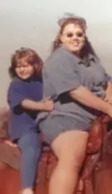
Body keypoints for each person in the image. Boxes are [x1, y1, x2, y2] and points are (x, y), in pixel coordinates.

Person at [37, 13, 112, 194]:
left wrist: (111, 96)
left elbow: (107, 79)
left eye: (79, 34)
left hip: (96, 117)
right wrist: (110, 108)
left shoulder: (91, 60)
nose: (75, 38)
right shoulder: (58, 60)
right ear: (61, 38)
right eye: (69, 35)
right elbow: (76, 91)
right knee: (72, 156)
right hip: (66, 118)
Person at [7, 48, 54, 194]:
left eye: (26, 65)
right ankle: (26, 188)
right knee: (31, 147)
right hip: (25, 128)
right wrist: (43, 106)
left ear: (35, 65)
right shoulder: (16, 85)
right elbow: (23, 102)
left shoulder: (42, 83)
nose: (22, 69)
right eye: (19, 66)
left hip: (43, 125)